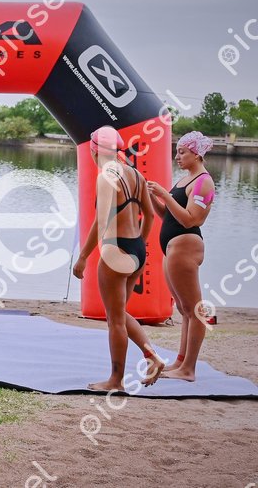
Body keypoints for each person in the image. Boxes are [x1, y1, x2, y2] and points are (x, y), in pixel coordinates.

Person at [73, 127, 164, 391]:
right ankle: (152, 355)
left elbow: (100, 222)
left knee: (114, 320)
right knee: (119, 313)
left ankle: (116, 380)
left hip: (116, 250)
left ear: (94, 151)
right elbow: (149, 215)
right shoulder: (135, 174)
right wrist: (140, 243)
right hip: (136, 249)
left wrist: (82, 257)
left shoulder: (106, 177)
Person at [147, 131, 215, 382]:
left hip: (186, 245)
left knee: (195, 309)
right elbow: (167, 216)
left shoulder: (204, 182)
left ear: (196, 154)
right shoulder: (185, 179)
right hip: (172, 247)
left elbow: (191, 220)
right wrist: (152, 196)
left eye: (182, 152)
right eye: (176, 151)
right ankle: (180, 361)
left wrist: (164, 194)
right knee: (184, 308)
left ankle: (189, 369)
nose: (177, 156)